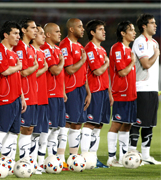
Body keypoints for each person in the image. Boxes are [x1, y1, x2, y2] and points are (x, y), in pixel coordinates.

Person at [0, 21, 27, 163]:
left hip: (16, 98)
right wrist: (18, 67)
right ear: (6, 35)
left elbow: (16, 78)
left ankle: (7, 163)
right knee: (0, 132)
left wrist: (22, 97)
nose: (18, 36)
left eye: (19, 33)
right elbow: (5, 71)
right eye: (15, 33)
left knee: (13, 133)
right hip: (4, 97)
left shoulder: (12, 52)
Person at [58, 18, 91, 170]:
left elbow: (83, 73)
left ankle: (72, 159)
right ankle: (59, 159)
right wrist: (83, 59)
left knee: (77, 124)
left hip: (80, 90)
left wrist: (88, 92)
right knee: (66, 124)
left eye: (82, 26)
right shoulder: (66, 44)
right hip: (69, 89)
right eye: (79, 26)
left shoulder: (79, 46)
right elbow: (69, 69)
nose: (82, 29)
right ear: (71, 29)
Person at [81, 19, 113, 168]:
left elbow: (104, 74)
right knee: (89, 124)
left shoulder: (102, 50)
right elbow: (97, 71)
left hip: (103, 92)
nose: (104, 31)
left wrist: (109, 93)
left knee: (99, 125)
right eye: (100, 29)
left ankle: (93, 158)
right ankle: (84, 157)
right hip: (93, 91)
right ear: (92, 32)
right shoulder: (90, 49)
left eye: (104, 29)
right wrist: (107, 63)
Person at [129, 14, 161, 165]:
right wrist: (156, 54)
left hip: (153, 88)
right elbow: (146, 64)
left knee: (149, 124)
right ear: (144, 25)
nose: (155, 25)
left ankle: (146, 156)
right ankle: (132, 154)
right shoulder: (139, 41)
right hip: (141, 88)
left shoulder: (154, 42)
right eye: (152, 23)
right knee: (138, 122)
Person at [107, 21, 137, 167]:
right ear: (123, 33)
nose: (134, 32)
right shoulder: (118, 48)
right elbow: (122, 72)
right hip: (121, 93)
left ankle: (123, 157)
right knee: (117, 124)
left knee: (127, 125)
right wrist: (132, 62)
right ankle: (111, 158)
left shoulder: (128, 49)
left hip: (131, 94)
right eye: (130, 30)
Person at [13, 18, 39, 159]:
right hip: (23, 94)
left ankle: (27, 159)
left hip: (32, 93)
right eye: (33, 28)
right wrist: (35, 67)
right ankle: (18, 160)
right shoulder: (19, 48)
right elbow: (22, 71)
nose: (35, 30)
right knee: (22, 128)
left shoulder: (30, 48)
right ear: (24, 30)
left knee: (29, 128)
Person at [40, 23, 66, 158]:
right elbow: (55, 70)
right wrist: (62, 62)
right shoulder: (45, 48)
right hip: (49, 94)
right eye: (57, 31)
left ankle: (52, 158)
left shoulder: (57, 49)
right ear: (48, 34)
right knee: (48, 129)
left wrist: (63, 91)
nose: (60, 34)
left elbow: (60, 75)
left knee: (56, 128)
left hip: (58, 94)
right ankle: (41, 158)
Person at [29, 25, 49, 174]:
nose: (43, 36)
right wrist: (43, 69)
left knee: (39, 133)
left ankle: (36, 162)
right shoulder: (31, 52)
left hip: (43, 96)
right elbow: (31, 74)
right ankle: (30, 162)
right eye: (40, 33)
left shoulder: (41, 52)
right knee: (31, 133)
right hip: (33, 97)